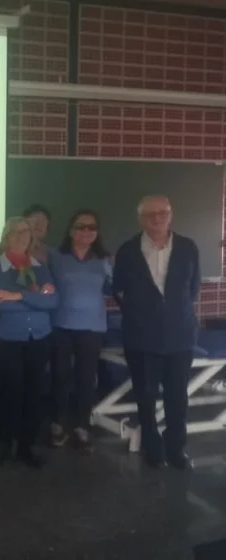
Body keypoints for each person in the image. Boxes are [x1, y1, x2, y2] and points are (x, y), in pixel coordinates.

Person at [113, 195, 200, 470]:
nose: (157, 218)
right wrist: (141, 313)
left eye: (162, 212)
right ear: (140, 219)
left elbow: (193, 288)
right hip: (140, 337)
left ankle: (176, 450)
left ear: (170, 215)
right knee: (145, 396)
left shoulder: (188, 247)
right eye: (150, 214)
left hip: (180, 336)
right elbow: (119, 289)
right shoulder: (127, 250)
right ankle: (152, 449)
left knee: (177, 397)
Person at [0, 217, 58, 468]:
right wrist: (35, 297)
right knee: (11, 394)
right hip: (10, 339)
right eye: (15, 232)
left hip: (39, 337)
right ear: (6, 236)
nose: (21, 236)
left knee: (34, 394)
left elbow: (53, 302)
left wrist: (17, 295)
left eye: (25, 231)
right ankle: (7, 445)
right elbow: (1, 306)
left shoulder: (40, 266)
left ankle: (27, 446)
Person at [48, 209, 112, 451]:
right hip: (61, 325)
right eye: (81, 226)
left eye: (91, 227)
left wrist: (112, 276)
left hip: (92, 326)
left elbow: (110, 290)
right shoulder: (55, 256)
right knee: (60, 378)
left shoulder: (103, 260)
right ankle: (57, 425)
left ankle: (82, 426)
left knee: (86, 380)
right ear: (71, 230)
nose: (86, 231)